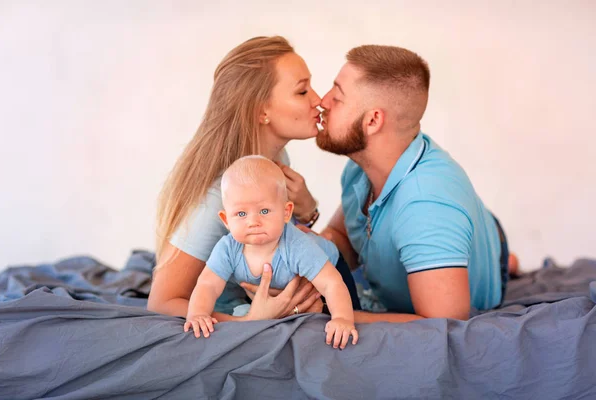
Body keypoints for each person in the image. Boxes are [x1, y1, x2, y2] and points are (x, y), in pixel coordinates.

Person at [147, 36, 359, 321]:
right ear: (262, 111)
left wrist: (307, 210)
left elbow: (277, 239)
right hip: (239, 315)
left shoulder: (275, 161)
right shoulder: (215, 197)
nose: (318, 100)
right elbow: (161, 302)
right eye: (302, 91)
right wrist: (250, 321)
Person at [315, 44, 513, 323]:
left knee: (440, 246)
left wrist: (337, 313)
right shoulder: (360, 168)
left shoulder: (426, 205)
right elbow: (342, 235)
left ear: (373, 120)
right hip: (438, 225)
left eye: (337, 96)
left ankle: (495, 257)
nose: (323, 101)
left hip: (484, 250)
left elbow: (443, 325)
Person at [184, 156, 358, 349]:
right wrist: (198, 313)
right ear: (226, 220)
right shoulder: (227, 248)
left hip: (331, 265)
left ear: (286, 212)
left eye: (264, 211)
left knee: (344, 310)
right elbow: (208, 284)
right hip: (277, 285)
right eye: (241, 214)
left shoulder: (297, 246)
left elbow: (331, 282)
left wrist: (342, 318)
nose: (253, 221)